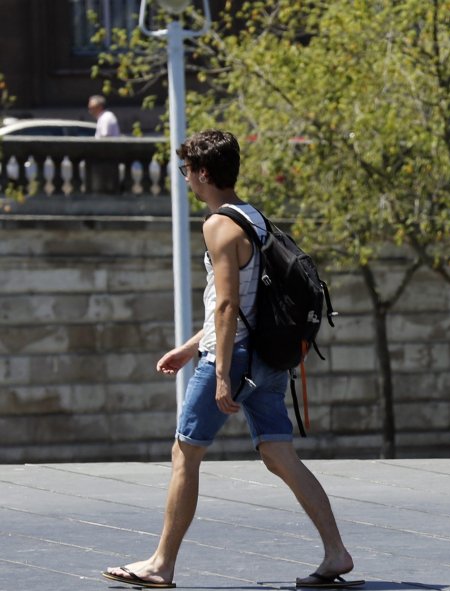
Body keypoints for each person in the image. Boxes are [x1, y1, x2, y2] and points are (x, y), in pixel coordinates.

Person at [101, 130, 359, 589]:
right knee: (279, 454)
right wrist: (187, 348)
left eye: (187, 172)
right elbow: (242, 302)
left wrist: (219, 372)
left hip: (233, 355)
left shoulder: (218, 224)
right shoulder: (253, 217)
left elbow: (226, 306)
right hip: (264, 355)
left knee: (184, 452)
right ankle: (336, 552)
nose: (187, 180)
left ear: (203, 173)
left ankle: (161, 564)